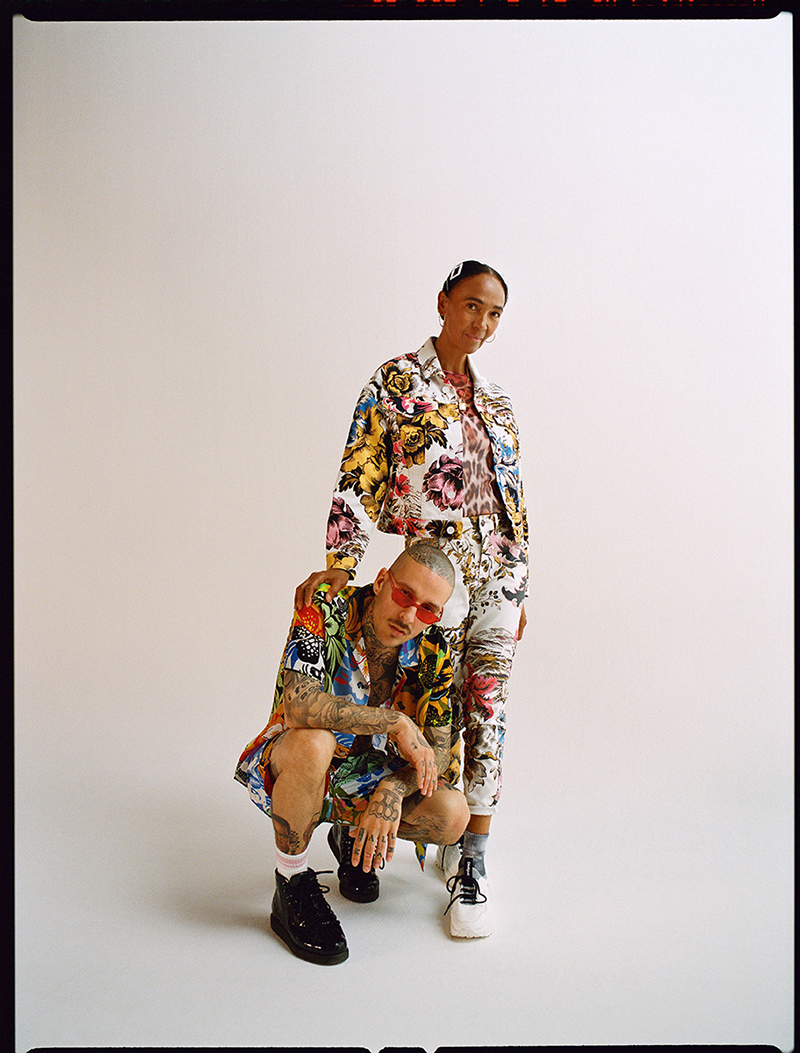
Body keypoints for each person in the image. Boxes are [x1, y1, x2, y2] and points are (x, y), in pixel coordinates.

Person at [295, 260, 528, 938]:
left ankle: (472, 855)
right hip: (435, 578)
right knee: (435, 707)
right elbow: (358, 475)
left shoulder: (499, 400)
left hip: (499, 579)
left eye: (494, 313)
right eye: (472, 305)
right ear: (444, 301)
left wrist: (521, 581)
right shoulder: (397, 382)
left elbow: (514, 498)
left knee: (490, 709)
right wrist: (340, 565)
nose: (481, 322)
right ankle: (376, 823)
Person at [235, 543, 470, 965]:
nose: (409, 616)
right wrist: (394, 723)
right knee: (315, 741)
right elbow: (299, 704)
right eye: (403, 595)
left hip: (364, 774)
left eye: (428, 610)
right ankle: (291, 884)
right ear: (381, 582)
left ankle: (350, 836)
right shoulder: (325, 609)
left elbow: (435, 754)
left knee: (452, 814)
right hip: (294, 761)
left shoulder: (434, 651)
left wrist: (392, 790)